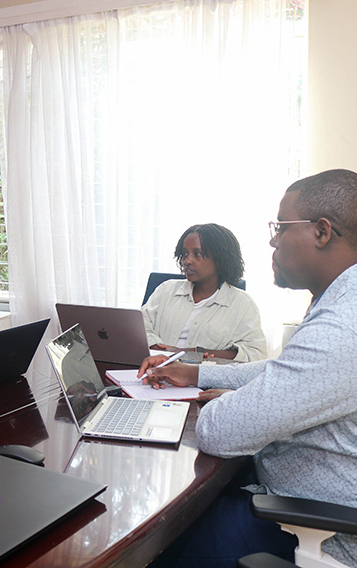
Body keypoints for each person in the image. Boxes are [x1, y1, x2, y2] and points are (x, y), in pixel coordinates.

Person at [140, 169, 357, 567]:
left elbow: (221, 431)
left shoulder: (344, 326)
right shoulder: (342, 300)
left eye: (280, 227)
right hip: (287, 497)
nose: (273, 240)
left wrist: (237, 400)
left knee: (153, 543)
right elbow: (283, 369)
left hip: (312, 532)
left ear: (322, 232)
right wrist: (198, 374)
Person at [142, 223, 267, 362]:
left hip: (204, 381)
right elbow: (139, 328)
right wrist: (161, 351)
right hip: (155, 372)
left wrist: (192, 353)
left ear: (221, 259)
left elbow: (255, 355)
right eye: (184, 254)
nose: (187, 261)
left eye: (198, 254)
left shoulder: (242, 304)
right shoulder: (166, 290)